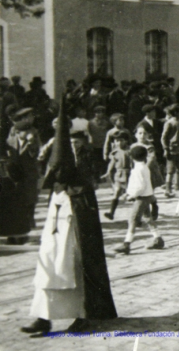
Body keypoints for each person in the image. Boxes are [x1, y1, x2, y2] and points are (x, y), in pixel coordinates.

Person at [21, 95, 117, 336]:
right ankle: (44, 316)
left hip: (74, 208)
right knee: (50, 262)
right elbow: (44, 165)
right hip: (58, 206)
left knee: (72, 263)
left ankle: (83, 313)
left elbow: (87, 178)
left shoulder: (80, 148)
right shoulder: (53, 145)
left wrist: (73, 189)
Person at [113, 144, 164, 254]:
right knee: (147, 218)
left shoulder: (137, 170)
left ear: (131, 157)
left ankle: (127, 244)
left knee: (133, 219)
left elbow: (140, 187)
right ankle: (158, 238)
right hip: (147, 196)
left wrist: (131, 195)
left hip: (141, 198)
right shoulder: (144, 167)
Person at [1, 107, 41, 244]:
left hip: (29, 173)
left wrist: (30, 144)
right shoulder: (12, 135)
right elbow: (8, 151)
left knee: (29, 200)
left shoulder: (34, 135)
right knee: (15, 203)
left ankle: (26, 228)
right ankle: (17, 232)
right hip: (14, 175)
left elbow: (36, 153)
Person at [103, 130, 132, 220]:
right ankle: (111, 213)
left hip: (129, 174)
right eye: (116, 141)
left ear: (126, 141)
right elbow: (112, 163)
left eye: (121, 140)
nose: (119, 143)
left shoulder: (130, 151)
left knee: (132, 195)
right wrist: (108, 172)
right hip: (119, 175)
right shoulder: (114, 152)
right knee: (116, 193)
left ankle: (138, 216)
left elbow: (133, 162)